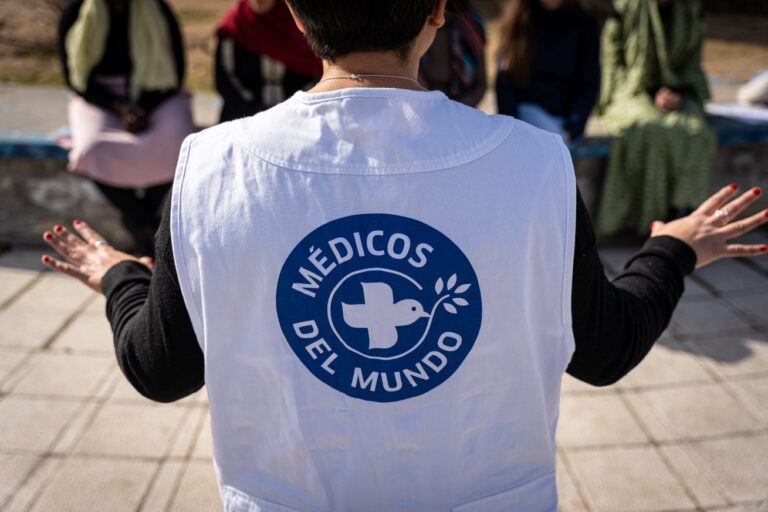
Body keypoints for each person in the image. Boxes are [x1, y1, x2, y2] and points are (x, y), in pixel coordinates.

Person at [41, 0, 768, 510]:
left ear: (298, 15)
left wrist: (118, 281)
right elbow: (603, 350)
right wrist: (669, 250)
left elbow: (161, 368)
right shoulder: (534, 163)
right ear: (438, 13)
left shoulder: (211, 167)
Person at [58, 0, 195, 256]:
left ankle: (143, 221)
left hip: (155, 93)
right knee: (92, 147)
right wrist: (120, 108)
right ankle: (141, 221)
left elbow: (175, 72)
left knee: (180, 141)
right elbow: (75, 79)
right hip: (99, 98)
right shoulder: (76, 12)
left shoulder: (157, 10)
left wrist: (142, 107)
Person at [596, 0, 716, 236]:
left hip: (681, 89)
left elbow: (692, 61)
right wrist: (650, 92)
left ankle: (683, 212)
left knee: (697, 131)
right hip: (631, 89)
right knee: (647, 127)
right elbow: (613, 59)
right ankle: (646, 221)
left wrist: (678, 91)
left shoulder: (690, 8)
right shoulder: (625, 8)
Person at [495, 0, 600, 140]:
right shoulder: (518, 20)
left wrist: (573, 128)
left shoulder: (584, 24)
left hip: (562, 126)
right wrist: (509, 128)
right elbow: (505, 80)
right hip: (523, 120)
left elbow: (589, 83)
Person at [215, 0, 322, 122]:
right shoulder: (235, 26)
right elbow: (226, 82)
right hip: (242, 120)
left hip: (294, 118)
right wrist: (259, 114)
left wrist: (287, 111)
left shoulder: (299, 27)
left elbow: (314, 75)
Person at [418, 3, 487, 107]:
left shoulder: (471, 25)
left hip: (463, 106)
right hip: (422, 103)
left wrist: (457, 109)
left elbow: (480, 84)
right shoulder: (416, 24)